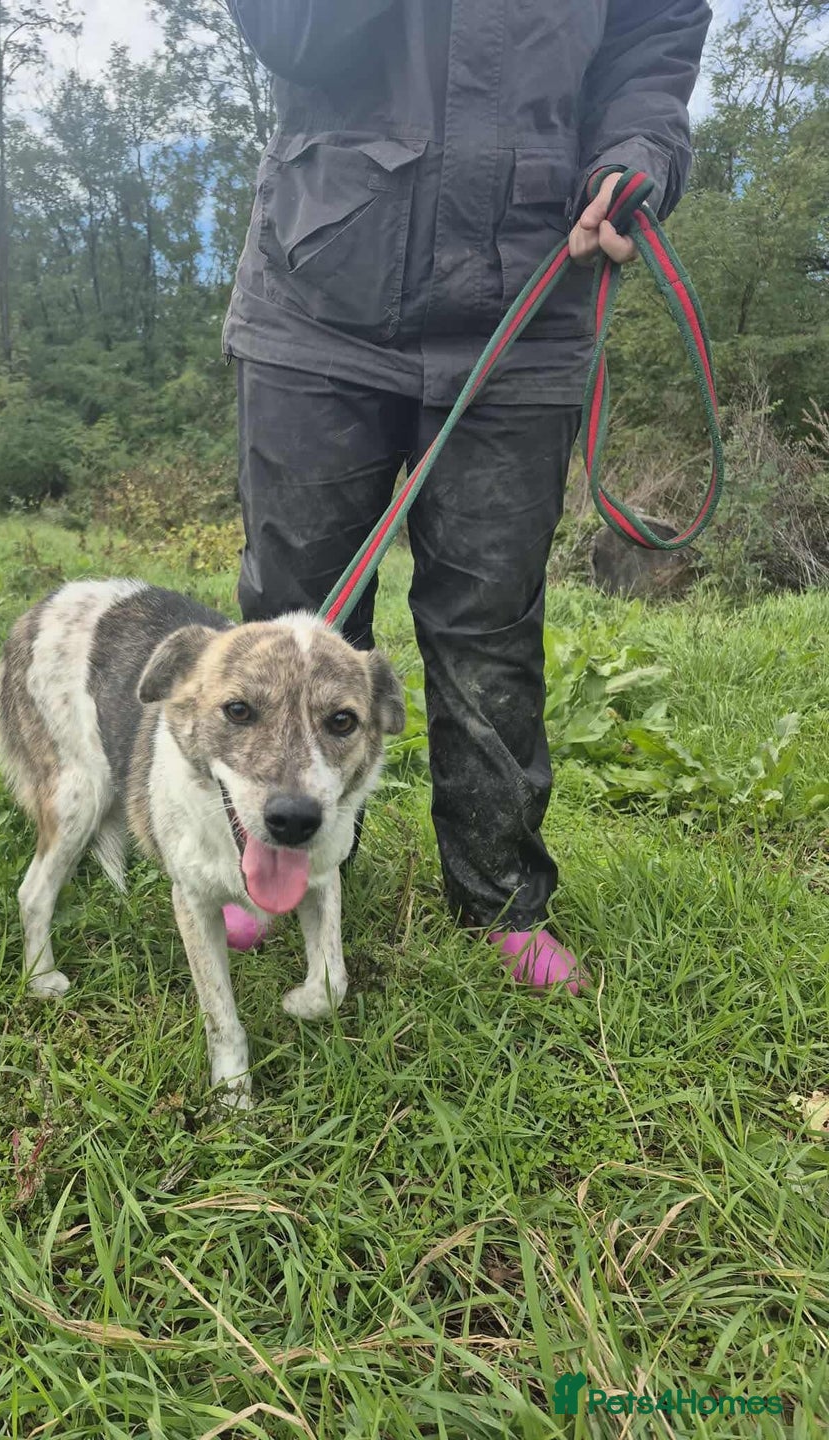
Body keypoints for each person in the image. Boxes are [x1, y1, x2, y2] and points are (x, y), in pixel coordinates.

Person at [219, 0, 711, 991]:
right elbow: (289, 31)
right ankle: (283, 861)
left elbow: (652, 41)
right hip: (322, 295)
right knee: (292, 618)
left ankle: (500, 896)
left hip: (529, 303)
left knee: (490, 624)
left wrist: (636, 151)